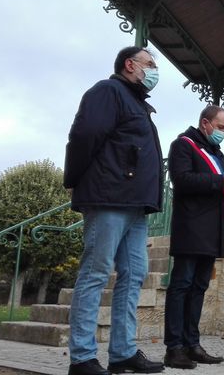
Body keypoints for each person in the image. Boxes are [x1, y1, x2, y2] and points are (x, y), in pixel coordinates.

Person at [64, 46, 165, 375]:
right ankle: (82, 358)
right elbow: (85, 136)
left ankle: (122, 352)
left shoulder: (138, 102)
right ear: (130, 64)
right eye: (150, 63)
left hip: (136, 203)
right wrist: (76, 180)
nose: (154, 70)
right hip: (109, 197)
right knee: (95, 273)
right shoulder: (108, 91)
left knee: (134, 275)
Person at [163, 105, 224, 369]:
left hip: (211, 231)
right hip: (190, 227)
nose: (223, 133)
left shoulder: (217, 153)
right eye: (220, 127)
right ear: (205, 123)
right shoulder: (183, 145)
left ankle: (192, 344)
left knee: (199, 288)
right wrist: (221, 182)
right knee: (181, 286)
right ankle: (174, 348)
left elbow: (215, 186)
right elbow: (183, 180)